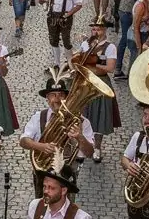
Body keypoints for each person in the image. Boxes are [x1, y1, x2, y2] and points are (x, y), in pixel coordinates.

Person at [19, 69, 94, 197]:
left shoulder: (82, 121)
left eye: (61, 95)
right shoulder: (39, 117)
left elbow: (90, 153)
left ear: (66, 97)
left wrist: (80, 137)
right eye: (53, 95)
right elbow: (23, 141)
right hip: (42, 174)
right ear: (47, 98)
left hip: (67, 175)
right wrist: (41, 146)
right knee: (41, 206)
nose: (57, 99)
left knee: (66, 208)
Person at [73, 18, 121, 163]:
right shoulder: (85, 44)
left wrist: (92, 64)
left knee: (100, 116)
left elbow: (110, 68)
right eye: (93, 29)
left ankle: (97, 148)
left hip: (101, 84)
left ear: (104, 30)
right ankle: (82, 146)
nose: (95, 32)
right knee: (82, 115)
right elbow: (78, 62)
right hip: (85, 83)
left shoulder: (110, 47)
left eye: (99, 29)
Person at [41, 0, 83, 68]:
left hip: (65, 18)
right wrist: (41, 0)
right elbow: (42, 0)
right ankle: (57, 63)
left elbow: (79, 4)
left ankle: (70, 63)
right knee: (53, 40)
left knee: (66, 40)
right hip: (52, 17)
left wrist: (68, 14)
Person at [113, 0, 141, 74]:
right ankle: (118, 67)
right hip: (127, 9)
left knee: (123, 37)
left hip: (120, 8)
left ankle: (118, 66)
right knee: (124, 38)